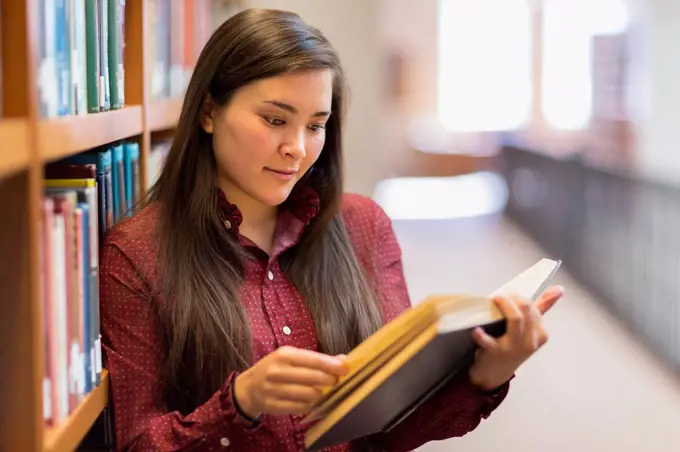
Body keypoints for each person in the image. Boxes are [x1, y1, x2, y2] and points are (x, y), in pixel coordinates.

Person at [100, 8, 564, 452]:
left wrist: (487, 374)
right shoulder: (140, 250)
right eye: (275, 120)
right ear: (208, 112)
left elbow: (394, 431)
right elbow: (137, 442)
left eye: (316, 126)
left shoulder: (363, 226)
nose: (297, 149)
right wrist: (239, 404)